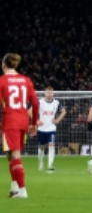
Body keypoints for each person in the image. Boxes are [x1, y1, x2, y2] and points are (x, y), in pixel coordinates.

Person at [1, 53, 36, 199]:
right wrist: (34, 123)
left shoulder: (2, 81)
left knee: (15, 155)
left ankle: (23, 191)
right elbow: (35, 103)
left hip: (11, 121)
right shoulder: (26, 80)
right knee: (10, 155)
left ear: (4, 65)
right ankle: (15, 188)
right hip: (23, 121)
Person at [36, 87, 65, 173]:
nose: (49, 94)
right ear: (45, 93)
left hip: (51, 128)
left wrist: (57, 120)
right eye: (48, 93)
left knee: (51, 146)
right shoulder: (40, 102)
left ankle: (50, 165)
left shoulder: (56, 103)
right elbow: (30, 111)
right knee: (41, 147)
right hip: (41, 129)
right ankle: (40, 163)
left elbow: (63, 111)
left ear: (53, 94)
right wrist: (36, 121)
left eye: (51, 93)